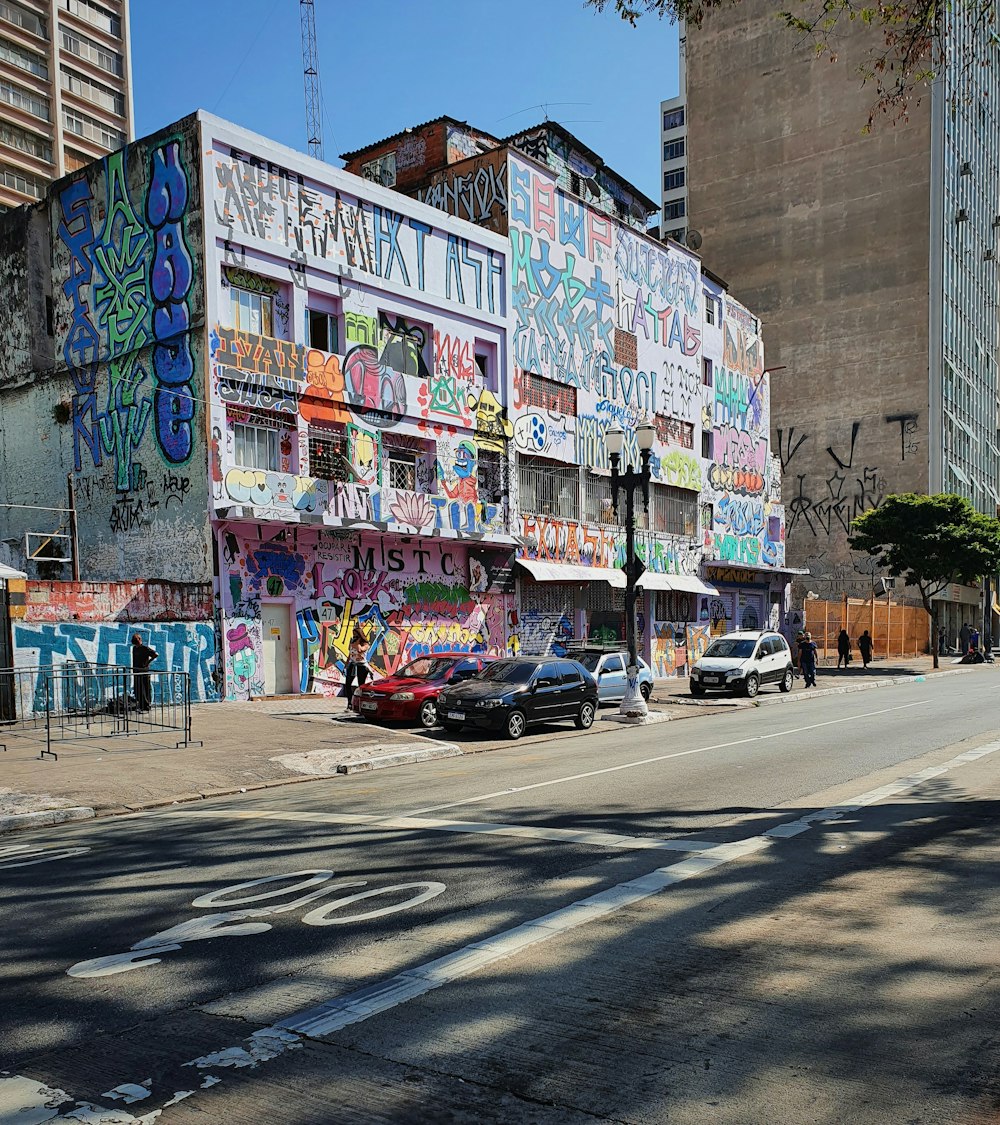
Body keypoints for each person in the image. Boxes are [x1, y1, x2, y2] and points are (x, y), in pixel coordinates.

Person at [131, 633, 159, 712]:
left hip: (143, 671)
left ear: (140, 640)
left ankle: (146, 706)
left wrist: (148, 662)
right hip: (136, 670)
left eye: (137, 642)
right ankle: (140, 705)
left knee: (144, 689)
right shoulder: (134, 648)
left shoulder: (145, 648)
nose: (136, 644)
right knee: (138, 689)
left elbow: (156, 654)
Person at [343, 629, 370, 708]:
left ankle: (360, 703)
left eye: (356, 635)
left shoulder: (365, 644)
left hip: (361, 666)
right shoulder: (353, 643)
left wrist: (357, 642)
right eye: (353, 635)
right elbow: (350, 654)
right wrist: (346, 665)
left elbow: (360, 650)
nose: (354, 636)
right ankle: (349, 702)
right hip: (353, 664)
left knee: (360, 685)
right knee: (348, 683)